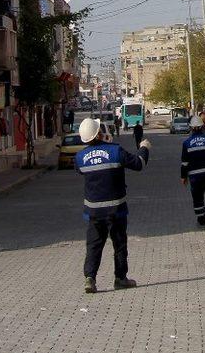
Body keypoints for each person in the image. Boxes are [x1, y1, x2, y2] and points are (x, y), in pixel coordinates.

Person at [75, 118, 151, 294]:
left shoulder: (79, 158)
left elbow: (80, 169)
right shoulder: (115, 151)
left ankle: (90, 279)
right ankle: (120, 278)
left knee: (93, 246)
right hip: (116, 210)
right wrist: (144, 147)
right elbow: (139, 164)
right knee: (119, 245)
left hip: (93, 212)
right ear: (100, 133)